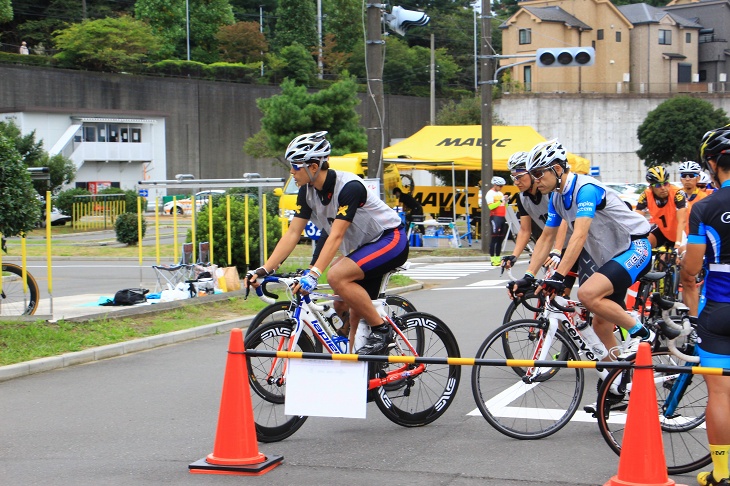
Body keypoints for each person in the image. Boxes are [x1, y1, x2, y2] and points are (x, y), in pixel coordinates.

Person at [508, 139, 654, 410]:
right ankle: (618, 382)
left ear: (558, 169)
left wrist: (559, 275)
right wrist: (528, 275)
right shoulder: (556, 198)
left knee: (587, 294)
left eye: (540, 173)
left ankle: (644, 334)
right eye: (533, 174)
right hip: (612, 257)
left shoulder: (585, 189)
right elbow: (546, 238)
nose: (536, 180)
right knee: (600, 325)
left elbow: (580, 234)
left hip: (636, 246)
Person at [244, 131, 408, 355]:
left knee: (336, 275)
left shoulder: (349, 187)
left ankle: (381, 330)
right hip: (364, 247)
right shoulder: (307, 192)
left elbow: (336, 236)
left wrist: (313, 274)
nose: (291, 171)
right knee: (340, 303)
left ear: (313, 166)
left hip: (390, 239)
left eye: (295, 165)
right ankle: (361, 352)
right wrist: (265, 269)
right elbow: (293, 233)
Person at [683, 125, 730, 486]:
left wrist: (692, 312)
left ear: (713, 164)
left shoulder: (703, 207)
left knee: (719, 392)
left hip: (719, 309)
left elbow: (690, 272)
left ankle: (723, 473)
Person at [500, 151, 575, 294]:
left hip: (576, 245)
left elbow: (563, 221)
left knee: (589, 295)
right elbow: (524, 230)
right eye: (513, 177)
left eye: (520, 177)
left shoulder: (551, 192)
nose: (516, 182)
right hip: (556, 248)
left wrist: (556, 250)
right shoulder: (522, 198)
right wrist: (514, 256)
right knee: (552, 295)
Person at [677, 161, 706, 317]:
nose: (687, 179)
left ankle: (696, 319)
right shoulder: (677, 196)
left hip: (699, 241)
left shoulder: (704, 198)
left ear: (698, 178)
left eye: (691, 176)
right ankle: (691, 318)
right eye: (684, 176)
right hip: (683, 239)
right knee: (687, 281)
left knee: (691, 279)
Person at [635, 166, 687, 250]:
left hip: (682, 233)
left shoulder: (678, 194)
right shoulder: (645, 195)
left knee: (678, 257)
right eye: (658, 185)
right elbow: (636, 219)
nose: (663, 188)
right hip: (663, 231)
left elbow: (682, 221)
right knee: (643, 246)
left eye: (665, 183)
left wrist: (677, 244)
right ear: (651, 187)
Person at [486, 176, 508, 266]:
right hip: (495, 217)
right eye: (500, 186)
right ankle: (492, 259)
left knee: (500, 239)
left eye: (502, 186)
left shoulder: (500, 193)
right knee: (494, 238)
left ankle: (498, 259)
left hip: (502, 217)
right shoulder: (490, 193)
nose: (501, 187)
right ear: (495, 185)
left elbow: (503, 207)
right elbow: (491, 207)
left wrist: (505, 201)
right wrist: (500, 201)